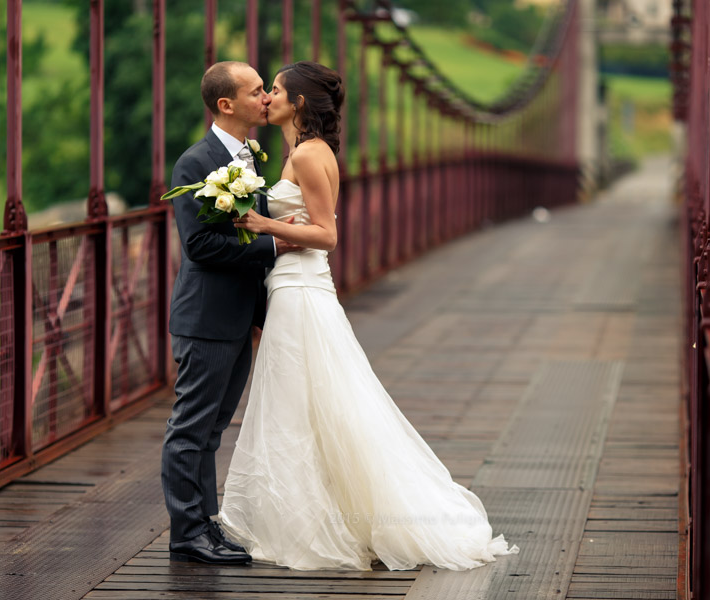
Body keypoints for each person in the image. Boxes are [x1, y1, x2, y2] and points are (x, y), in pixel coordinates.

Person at [219, 61, 519, 571]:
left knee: (307, 404)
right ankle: (324, 513)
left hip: (301, 292)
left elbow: (327, 235)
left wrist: (260, 222)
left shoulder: (310, 157)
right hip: (292, 285)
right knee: (313, 406)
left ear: (299, 104)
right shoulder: (303, 152)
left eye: (277, 90)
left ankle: (326, 521)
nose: (268, 96)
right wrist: (279, 232)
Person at [162, 61, 298, 565]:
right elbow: (200, 246)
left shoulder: (246, 157)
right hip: (207, 318)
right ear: (226, 104)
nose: (267, 96)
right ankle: (186, 534)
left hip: (237, 317)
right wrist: (274, 247)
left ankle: (206, 527)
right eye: (257, 90)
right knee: (191, 428)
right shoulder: (196, 164)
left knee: (212, 430)